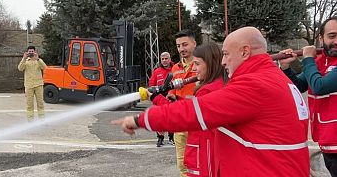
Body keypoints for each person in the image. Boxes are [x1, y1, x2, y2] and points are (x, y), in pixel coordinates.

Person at [112, 27, 310, 176]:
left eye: (226, 54)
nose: (223, 61)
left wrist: (140, 120)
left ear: (245, 51)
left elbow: (195, 112)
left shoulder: (254, 84)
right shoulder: (277, 79)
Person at [279, 16, 337, 177]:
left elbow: (319, 86)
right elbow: (299, 86)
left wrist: (308, 59)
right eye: (332, 36)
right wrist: (286, 67)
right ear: (321, 39)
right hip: (329, 139)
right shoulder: (321, 62)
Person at [148, 43, 226, 176]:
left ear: (211, 64)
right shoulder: (218, 85)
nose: (195, 68)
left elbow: (187, 117)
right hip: (203, 152)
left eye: (197, 64)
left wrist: (157, 99)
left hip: (205, 158)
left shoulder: (208, 90)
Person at [165, 29, 197, 177]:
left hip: (199, 121)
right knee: (182, 163)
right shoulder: (175, 68)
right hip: (181, 121)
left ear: (194, 44)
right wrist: (170, 95)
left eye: (185, 44)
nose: (181, 49)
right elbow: (172, 89)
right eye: (178, 46)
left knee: (199, 161)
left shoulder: (202, 65)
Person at [148, 51, 175, 147]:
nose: (164, 61)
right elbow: (151, 85)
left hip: (171, 98)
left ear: (170, 59)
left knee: (172, 119)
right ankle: (160, 139)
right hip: (159, 98)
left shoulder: (175, 69)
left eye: (166, 58)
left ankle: (172, 138)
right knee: (159, 120)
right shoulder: (156, 71)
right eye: (162, 59)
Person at [17, 45, 47, 122]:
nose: (31, 53)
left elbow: (45, 68)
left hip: (38, 85)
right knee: (29, 104)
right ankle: (30, 121)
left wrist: (38, 59)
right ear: (27, 52)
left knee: (40, 103)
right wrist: (23, 58)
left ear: (35, 52)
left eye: (32, 51)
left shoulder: (38, 61)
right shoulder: (25, 61)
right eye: (29, 52)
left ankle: (42, 120)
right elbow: (20, 68)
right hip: (29, 85)